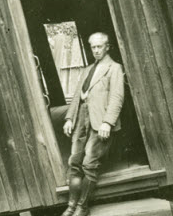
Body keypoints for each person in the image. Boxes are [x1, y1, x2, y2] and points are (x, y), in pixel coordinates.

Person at [61, 32, 125, 216]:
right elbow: (76, 98)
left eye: (99, 46)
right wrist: (69, 118)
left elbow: (117, 98)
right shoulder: (87, 69)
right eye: (93, 47)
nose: (96, 50)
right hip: (82, 119)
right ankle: (71, 206)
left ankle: (82, 206)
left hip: (100, 123)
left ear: (107, 47)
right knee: (74, 161)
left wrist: (107, 122)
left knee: (89, 163)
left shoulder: (114, 68)